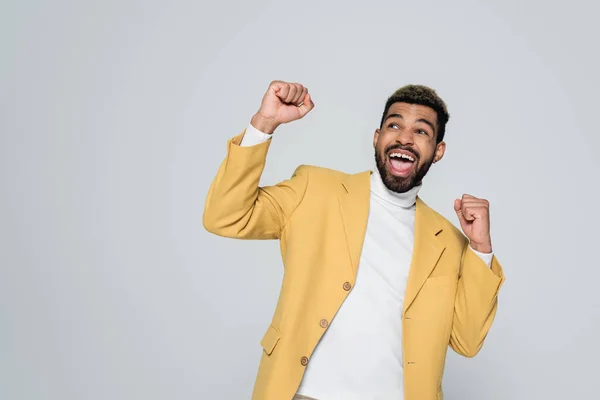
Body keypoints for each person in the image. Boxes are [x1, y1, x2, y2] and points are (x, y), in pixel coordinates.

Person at [203, 81, 505, 400]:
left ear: (438, 151)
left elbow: (467, 341)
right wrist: (264, 123)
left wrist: (480, 249)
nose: (404, 137)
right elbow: (225, 216)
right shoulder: (314, 189)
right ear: (377, 138)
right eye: (394, 125)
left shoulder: (448, 242)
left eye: (421, 131)